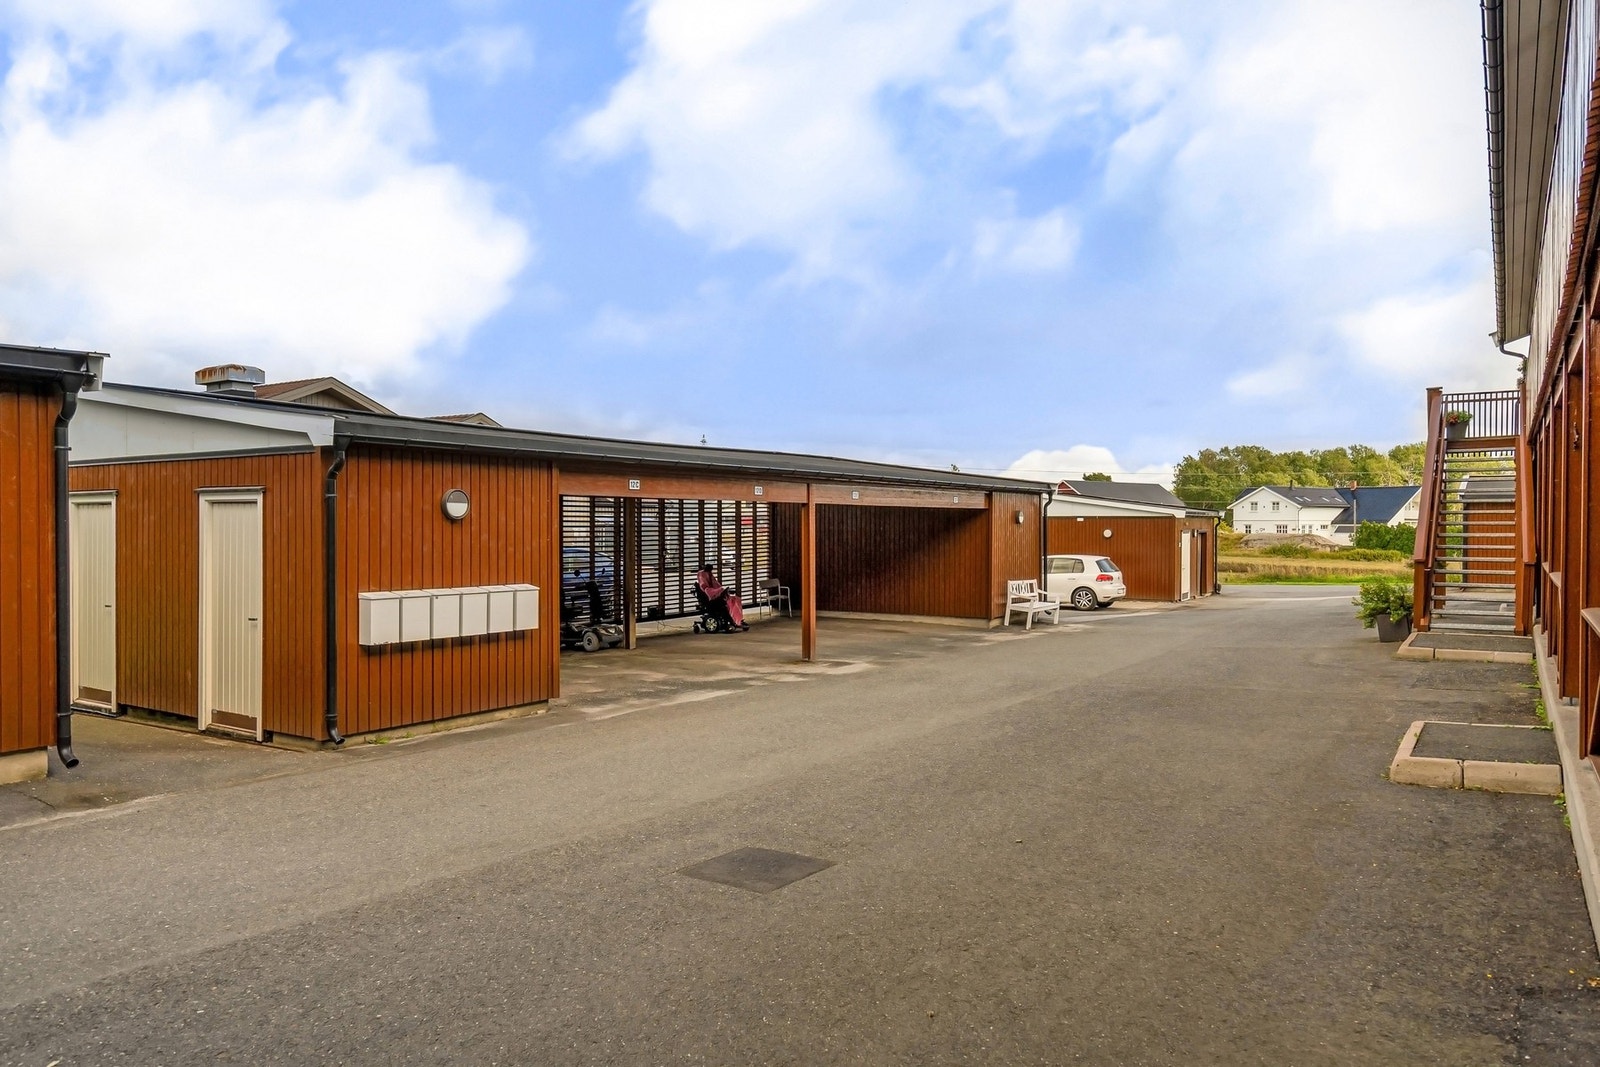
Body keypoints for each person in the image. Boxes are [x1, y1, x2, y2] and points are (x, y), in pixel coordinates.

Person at [696, 564, 747, 629]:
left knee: (736, 599)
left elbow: (716, 585)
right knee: (725, 604)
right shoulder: (702, 576)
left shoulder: (710, 575)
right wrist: (719, 591)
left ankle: (738, 620)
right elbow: (706, 588)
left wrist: (722, 590)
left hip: (717, 595)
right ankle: (733, 621)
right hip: (711, 600)